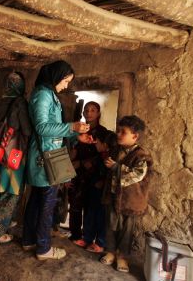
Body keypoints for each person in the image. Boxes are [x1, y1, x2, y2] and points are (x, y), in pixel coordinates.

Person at [22, 60, 93, 260]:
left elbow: (54, 129)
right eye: (65, 80)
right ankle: (43, 248)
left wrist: (75, 136)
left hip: (48, 154)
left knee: (37, 201)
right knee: (47, 203)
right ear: (55, 76)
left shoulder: (48, 94)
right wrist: (72, 127)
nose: (66, 85)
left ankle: (29, 240)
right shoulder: (43, 94)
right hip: (45, 157)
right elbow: (42, 128)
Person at [100, 115, 153, 273]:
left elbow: (138, 175)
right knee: (110, 225)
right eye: (118, 131)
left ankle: (122, 256)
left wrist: (116, 167)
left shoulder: (141, 155)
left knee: (127, 229)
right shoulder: (116, 150)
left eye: (123, 132)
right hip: (113, 196)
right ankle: (110, 252)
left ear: (135, 136)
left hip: (130, 200)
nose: (118, 134)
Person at [0, 72, 32, 245]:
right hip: (14, 155)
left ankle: (8, 220)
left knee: (1, 188)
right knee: (11, 193)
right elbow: (26, 130)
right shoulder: (19, 102)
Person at [69, 102, 107, 246]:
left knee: (91, 207)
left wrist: (87, 162)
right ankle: (75, 235)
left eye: (93, 110)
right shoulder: (78, 130)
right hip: (77, 173)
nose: (89, 113)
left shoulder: (104, 132)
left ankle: (89, 238)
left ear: (98, 113)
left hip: (94, 174)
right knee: (75, 204)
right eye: (86, 110)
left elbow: (105, 153)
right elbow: (72, 149)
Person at [80, 130, 117, 253]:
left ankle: (100, 243)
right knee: (91, 214)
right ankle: (87, 239)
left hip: (104, 193)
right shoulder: (100, 156)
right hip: (95, 190)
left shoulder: (111, 158)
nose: (95, 144)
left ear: (105, 145)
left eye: (98, 142)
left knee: (102, 218)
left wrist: (103, 182)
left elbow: (111, 175)